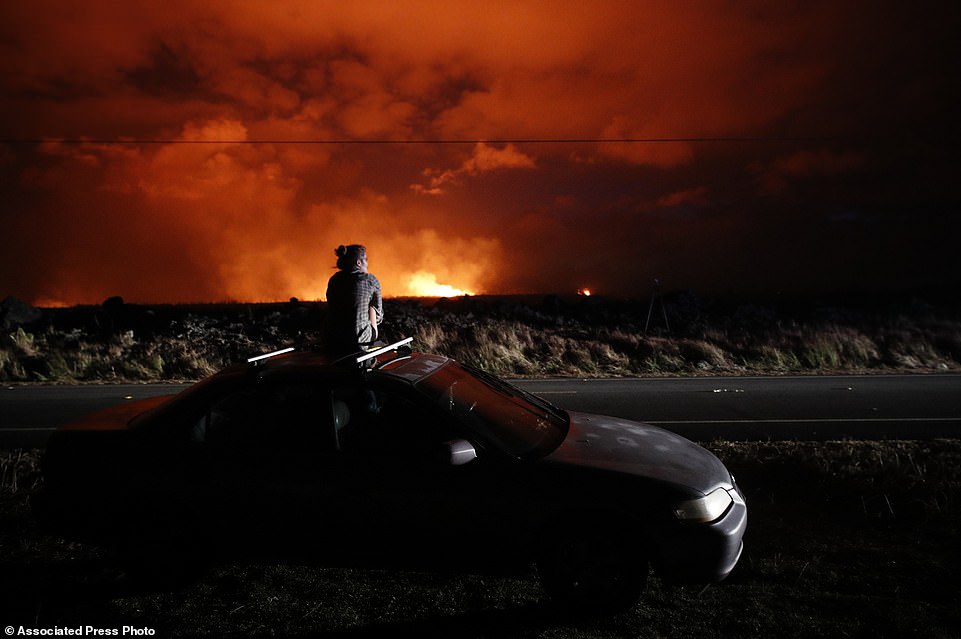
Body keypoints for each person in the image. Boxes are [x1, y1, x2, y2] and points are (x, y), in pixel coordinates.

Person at [325, 244, 383, 357]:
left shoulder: (334, 280)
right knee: (372, 308)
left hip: (333, 337)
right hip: (359, 340)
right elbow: (378, 316)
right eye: (366, 259)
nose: (368, 263)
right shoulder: (371, 280)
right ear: (358, 263)